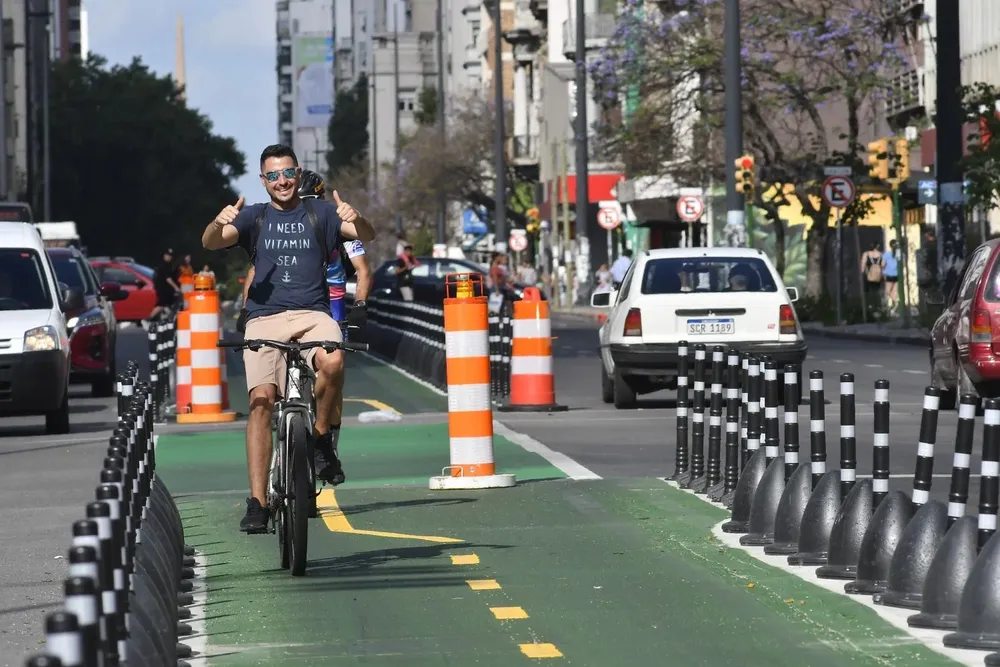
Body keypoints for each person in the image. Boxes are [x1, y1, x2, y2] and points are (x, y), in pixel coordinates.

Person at [202, 144, 376, 534]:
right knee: (261, 400)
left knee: (333, 360)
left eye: (288, 173)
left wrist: (357, 216)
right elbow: (212, 243)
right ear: (263, 181)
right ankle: (258, 501)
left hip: (315, 315)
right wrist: (218, 223)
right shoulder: (253, 217)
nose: (282, 181)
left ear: (298, 174)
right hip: (266, 318)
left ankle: (318, 441)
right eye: (273, 176)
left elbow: (366, 239)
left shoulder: (324, 213)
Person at [149, 248, 181, 322]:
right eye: (167, 255)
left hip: (165, 289)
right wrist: (176, 288)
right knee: (161, 304)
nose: (169, 257)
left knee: (167, 303)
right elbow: (168, 278)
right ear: (164, 255)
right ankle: (148, 319)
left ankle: (167, 318)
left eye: (170, 256)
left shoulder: (167, 265)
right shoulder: (164, 265)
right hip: (162, 289)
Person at [884, 239, 900, 308]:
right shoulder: (899, 253)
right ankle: (895, 305)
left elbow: (882, 264)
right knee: (894, 291)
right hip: (897, 274)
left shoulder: (887, 254)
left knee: (888, 291)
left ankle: (896, 302)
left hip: (889, 275)